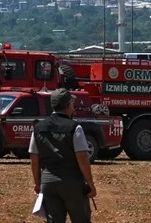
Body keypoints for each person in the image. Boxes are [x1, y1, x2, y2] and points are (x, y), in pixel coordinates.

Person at [30, 88, 96, 223]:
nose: (73, 106)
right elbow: (82, 157)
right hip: (72, 182)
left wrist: (38, 183)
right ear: (67, 106)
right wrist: (90, 183)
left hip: (48, 183)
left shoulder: (38, 128)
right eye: (72, 103)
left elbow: (34, 158)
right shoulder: (75, 128)